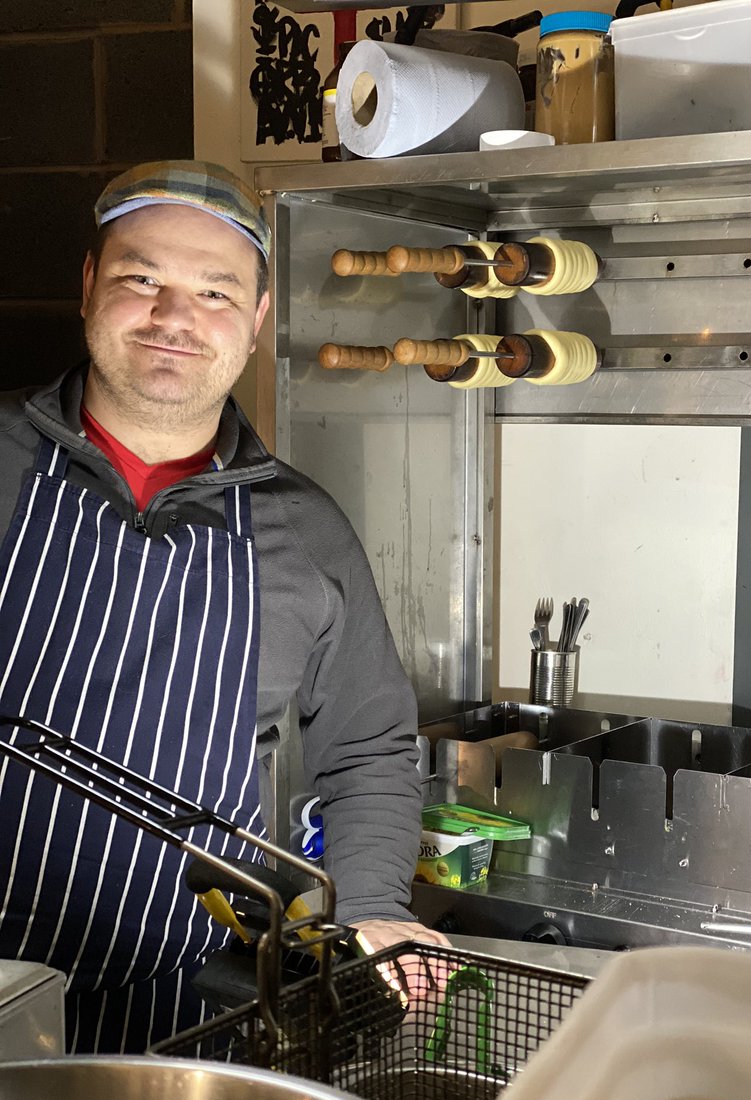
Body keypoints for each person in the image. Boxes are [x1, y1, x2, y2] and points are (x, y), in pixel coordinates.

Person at [0, 160, 445, 1054]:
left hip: (190, 1008)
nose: (174, 317)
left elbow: (367, 744)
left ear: (255, 321)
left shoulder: (306, 529)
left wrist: (372, 908)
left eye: (214, 290)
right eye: (141, 278)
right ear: (89, 286)